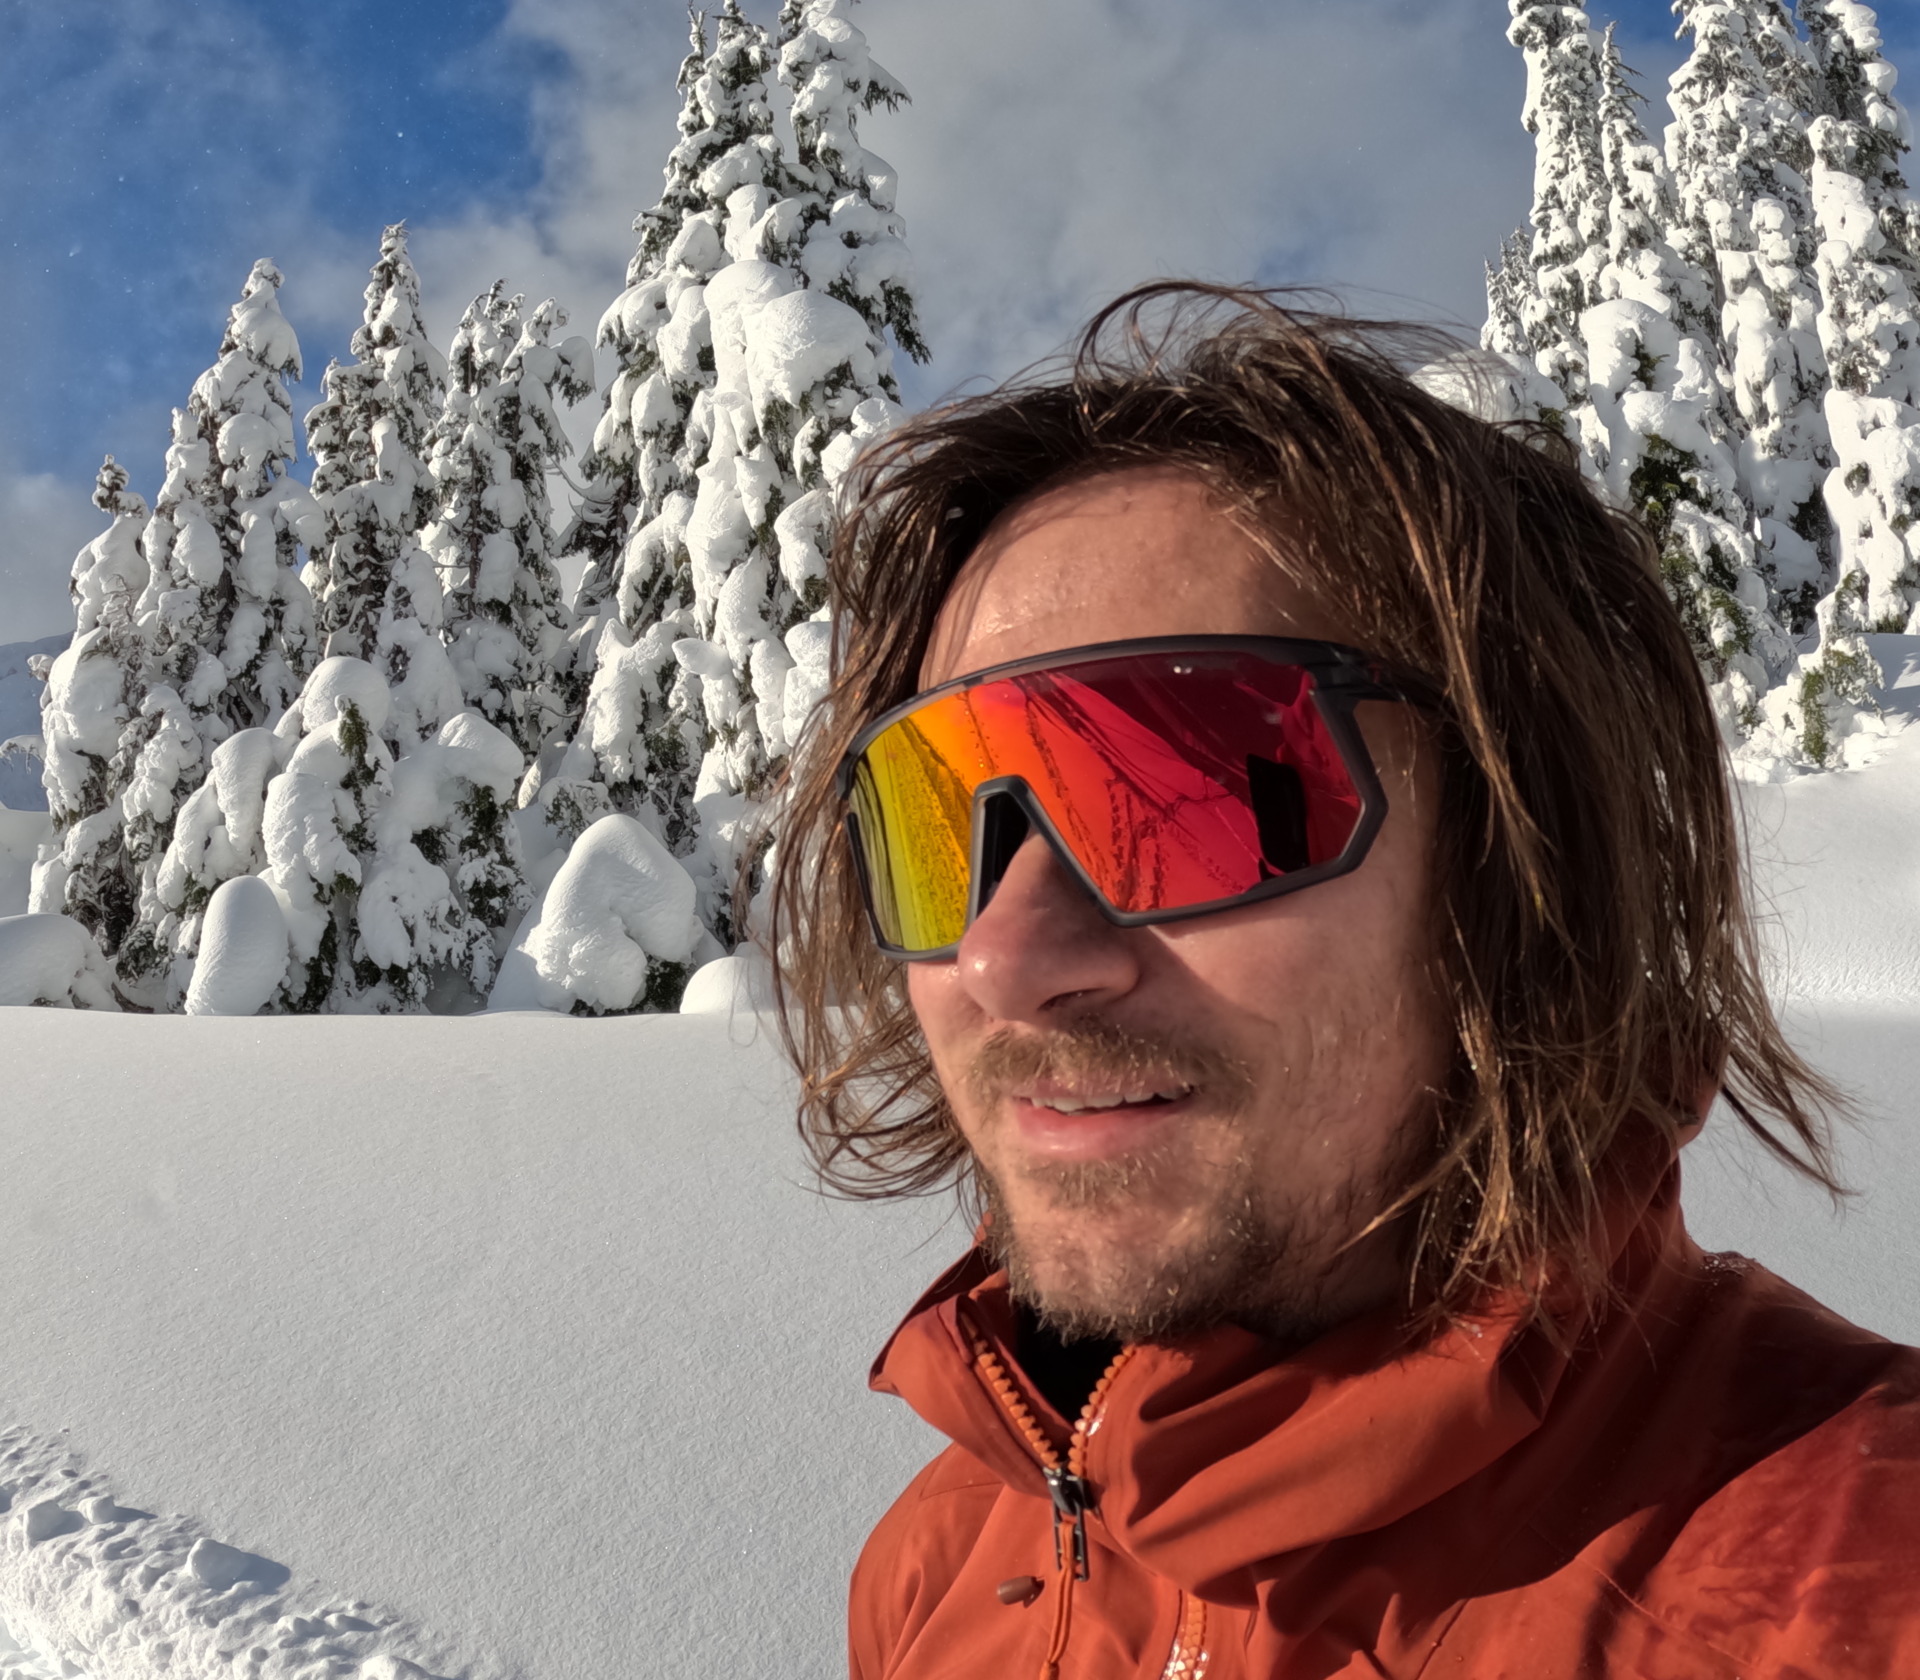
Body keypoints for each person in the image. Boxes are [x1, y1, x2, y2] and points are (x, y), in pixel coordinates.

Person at [766, 285, 1920, 1680]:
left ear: (1522, 858)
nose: (1006, 958)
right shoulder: (942, 1566)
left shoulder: (1844, 1587)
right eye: (936, 817)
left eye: (1193, 785)